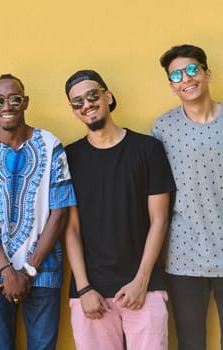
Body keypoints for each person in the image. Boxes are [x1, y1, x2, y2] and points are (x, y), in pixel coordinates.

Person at [63, 70, 176, 350]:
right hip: (91, 293)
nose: (86, 104)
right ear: (74, 111)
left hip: (144, 286)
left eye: (92, 95)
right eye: (77, 102)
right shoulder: (69, 157)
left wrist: (141, 281)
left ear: (107, 96)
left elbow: (159, 220)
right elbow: (71, 228)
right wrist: (84, 288)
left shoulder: (148, 149)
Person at [0, 74, 76, 350]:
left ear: (25, 102)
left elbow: (59, 212)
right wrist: (6, 270)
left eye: (14, 99)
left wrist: (29, 269)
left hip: (44, 268)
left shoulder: (51, 146)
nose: (7, 106)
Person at [152, 44, 223, 350]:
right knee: (191, 342)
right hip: (184, 257)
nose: (187, 78)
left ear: (207, 73)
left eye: (193, 69)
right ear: (171, 86)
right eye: (177, 75)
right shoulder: (163, 129)